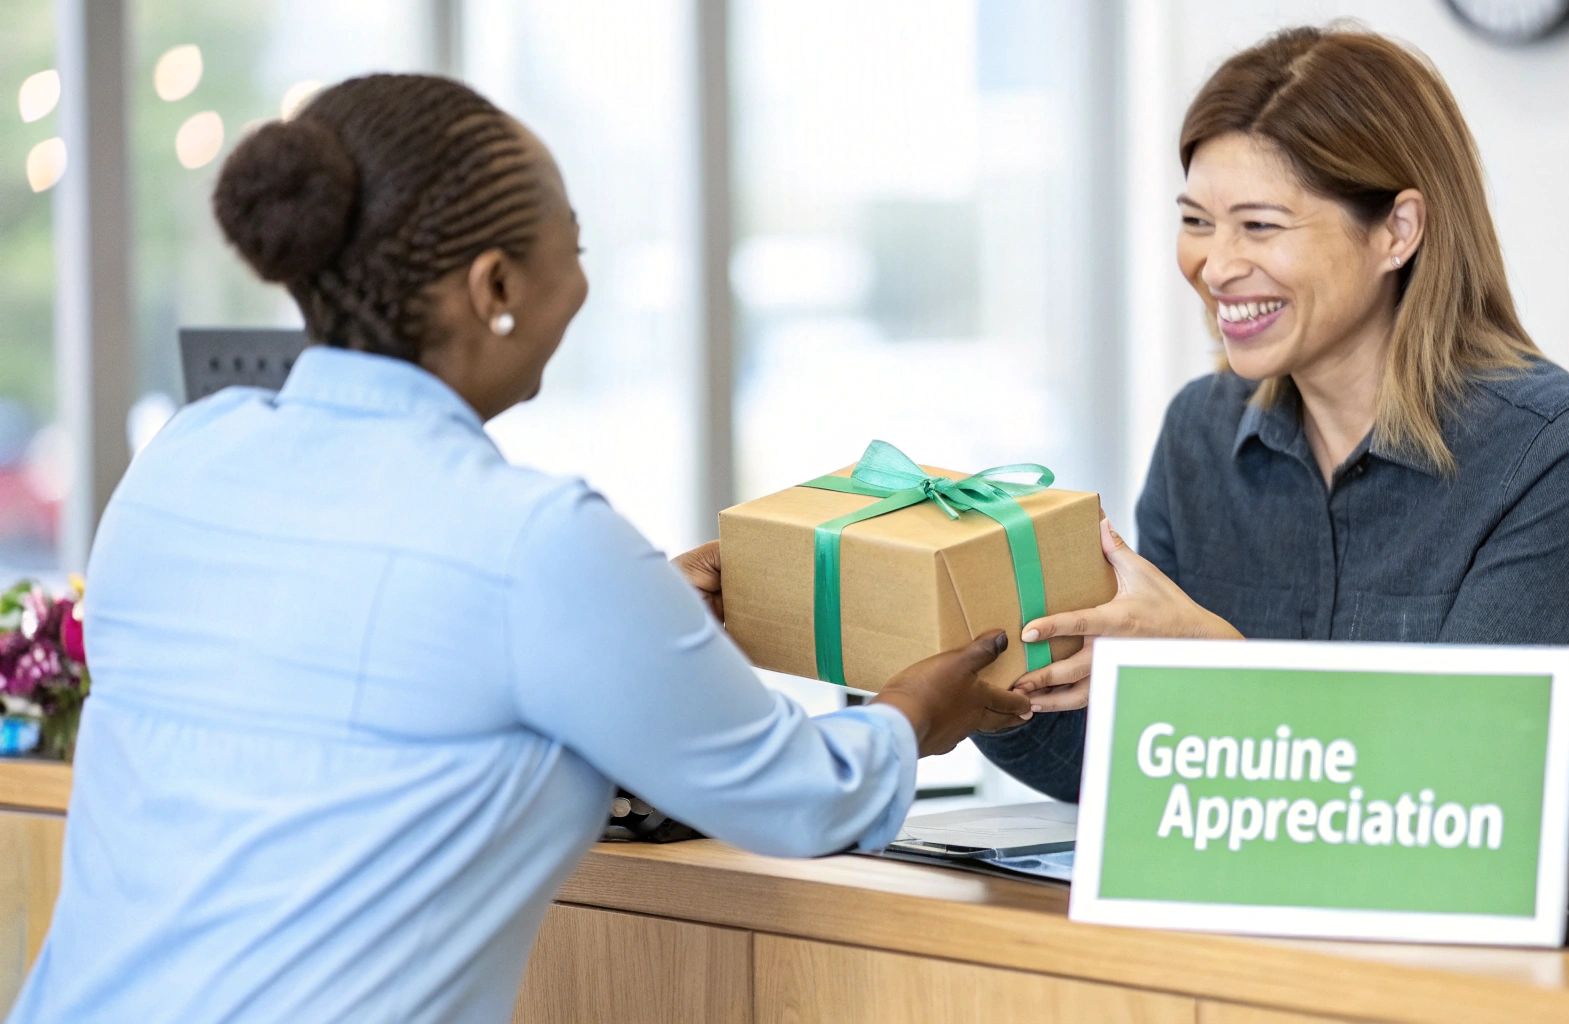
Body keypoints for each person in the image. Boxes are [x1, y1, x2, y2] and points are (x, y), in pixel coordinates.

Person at [9, 74, 1028, 1024]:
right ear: (495, 283)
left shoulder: (185, 454)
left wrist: (629, 621)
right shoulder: (537, 544)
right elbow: (803, 795)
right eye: (572, 248)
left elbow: (342, 697)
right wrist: (915, 711)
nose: (583, 285)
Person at [976, 26, 1569, 893]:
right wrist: (991, 684)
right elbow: (1138, 769)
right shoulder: (1200, 434)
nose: (1215, 266)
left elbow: (1453, 781)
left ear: (1397, 231)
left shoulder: (1560, 450)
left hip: (1531, 949)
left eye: (1260, 225)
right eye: (1195, 223)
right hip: (1270, 931)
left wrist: (1214, 662)